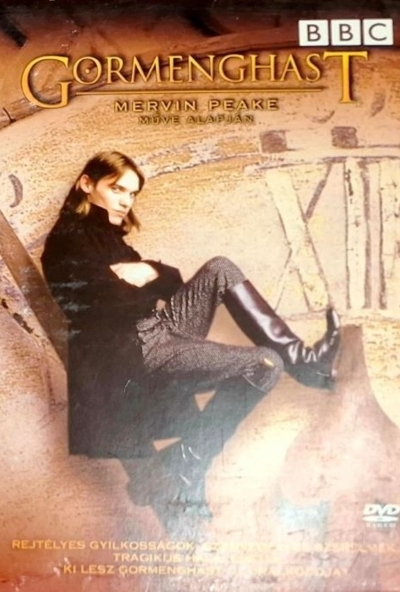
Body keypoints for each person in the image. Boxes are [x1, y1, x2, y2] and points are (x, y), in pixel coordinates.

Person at [41, 150, 340, 460]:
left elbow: (172, 283)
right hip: (135, 349)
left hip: (158, 328)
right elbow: (109, 304)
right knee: (266, 363)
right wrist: (140, 284)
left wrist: (149, 271)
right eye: (117, 189)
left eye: (131, 193)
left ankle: (304, 360)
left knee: (220, 268)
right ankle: (188, 460)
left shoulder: (109, 237)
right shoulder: (68, 241)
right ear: (86, 184)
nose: (126, 201)